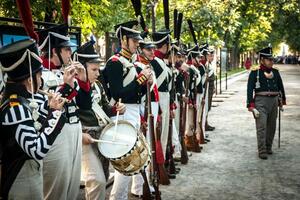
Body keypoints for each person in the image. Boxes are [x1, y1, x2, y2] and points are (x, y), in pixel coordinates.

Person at [0, 39, 65, 199]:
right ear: (30, 79)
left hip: (28, 175)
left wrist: (50, 108)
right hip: (21, 179)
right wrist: (55, 114)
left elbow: (35, 125)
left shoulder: (19, 102)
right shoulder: (16, 108)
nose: (41, 80)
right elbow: (36, 150)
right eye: (39, 75)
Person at [102, 20, 152, 200]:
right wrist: (140, 80)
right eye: (134, 40)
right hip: (123, 112)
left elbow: (138, 92)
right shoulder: (115, 63)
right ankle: (118, 197)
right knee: (126, 158)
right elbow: (118, 93)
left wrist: (147, 80)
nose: (138, 44)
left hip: (135, 111)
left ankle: (139, 188)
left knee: (139, 153)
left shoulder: (133, 62)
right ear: (124, 40)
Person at [38, 24, 87, 200]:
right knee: (56, 190)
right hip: (56, 135)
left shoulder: (65, 71)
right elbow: (46, 106)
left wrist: (83, 81)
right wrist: (66, 86)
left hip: (74, 130)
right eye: (66, 50)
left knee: (72, 187)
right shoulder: (39, 74)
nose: (70, 54)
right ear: (54, 51)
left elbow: (85, 105)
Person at [74, 40, 125, 200]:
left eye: (98, 69)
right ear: (82, 68)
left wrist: (116, 109)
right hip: (85, 138)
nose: (98, 73)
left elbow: (105, 109)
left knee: (101, 178)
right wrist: (79, 135)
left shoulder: (97, 86)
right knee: (96, 180)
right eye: (94, 69)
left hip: (101, 136)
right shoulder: (72, 88)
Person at [247, 46, 286, 160]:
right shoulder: (255, 73)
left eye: (272, 59)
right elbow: (250, 90)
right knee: (261, 127)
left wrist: (282, 100)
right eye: (269, 59)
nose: (271, 62)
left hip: (274, 102)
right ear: (262, 60)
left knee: (272, 127)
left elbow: (280, 87)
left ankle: (268, 147)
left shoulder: (276, 72)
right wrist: (251, 105)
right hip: (260, 102)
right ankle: (262, 150)